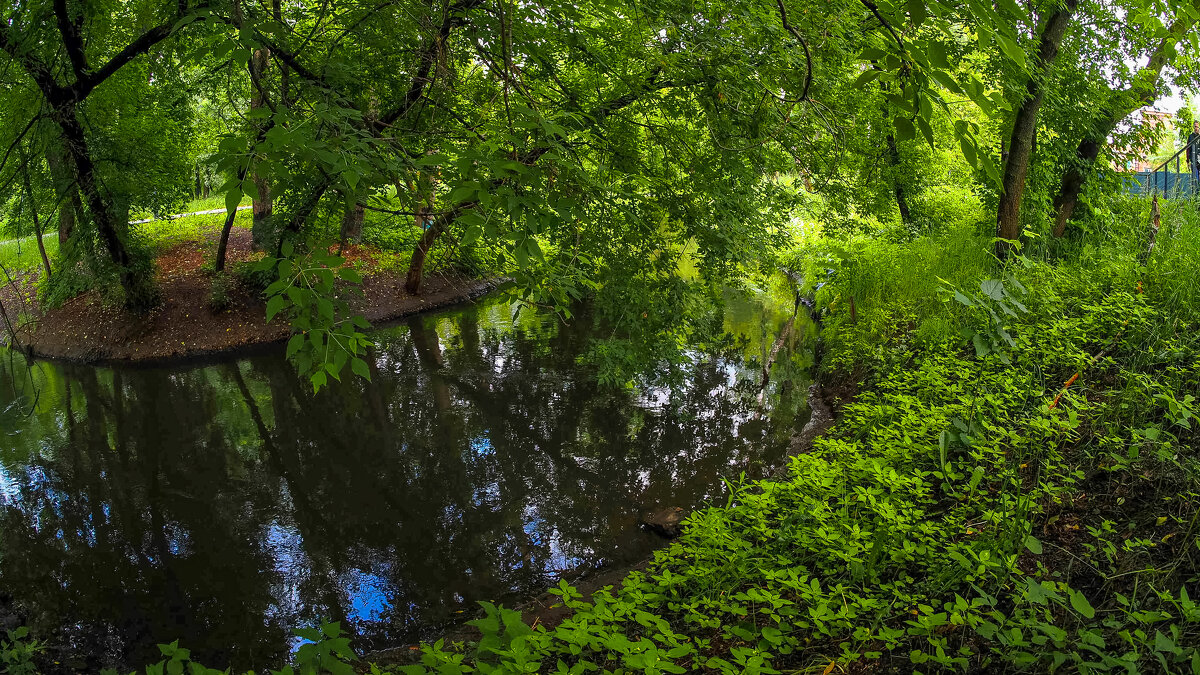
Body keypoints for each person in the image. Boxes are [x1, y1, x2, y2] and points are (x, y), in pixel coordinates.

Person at [1189, 121, 1200, 196]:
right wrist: (1187, 161)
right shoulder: (1191, 136)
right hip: (1193, 160)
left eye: (1197, 126)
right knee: (1194, 178)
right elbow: (1188, 149)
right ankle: (1195, 195)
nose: (1195, 128)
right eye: (1194, 127)